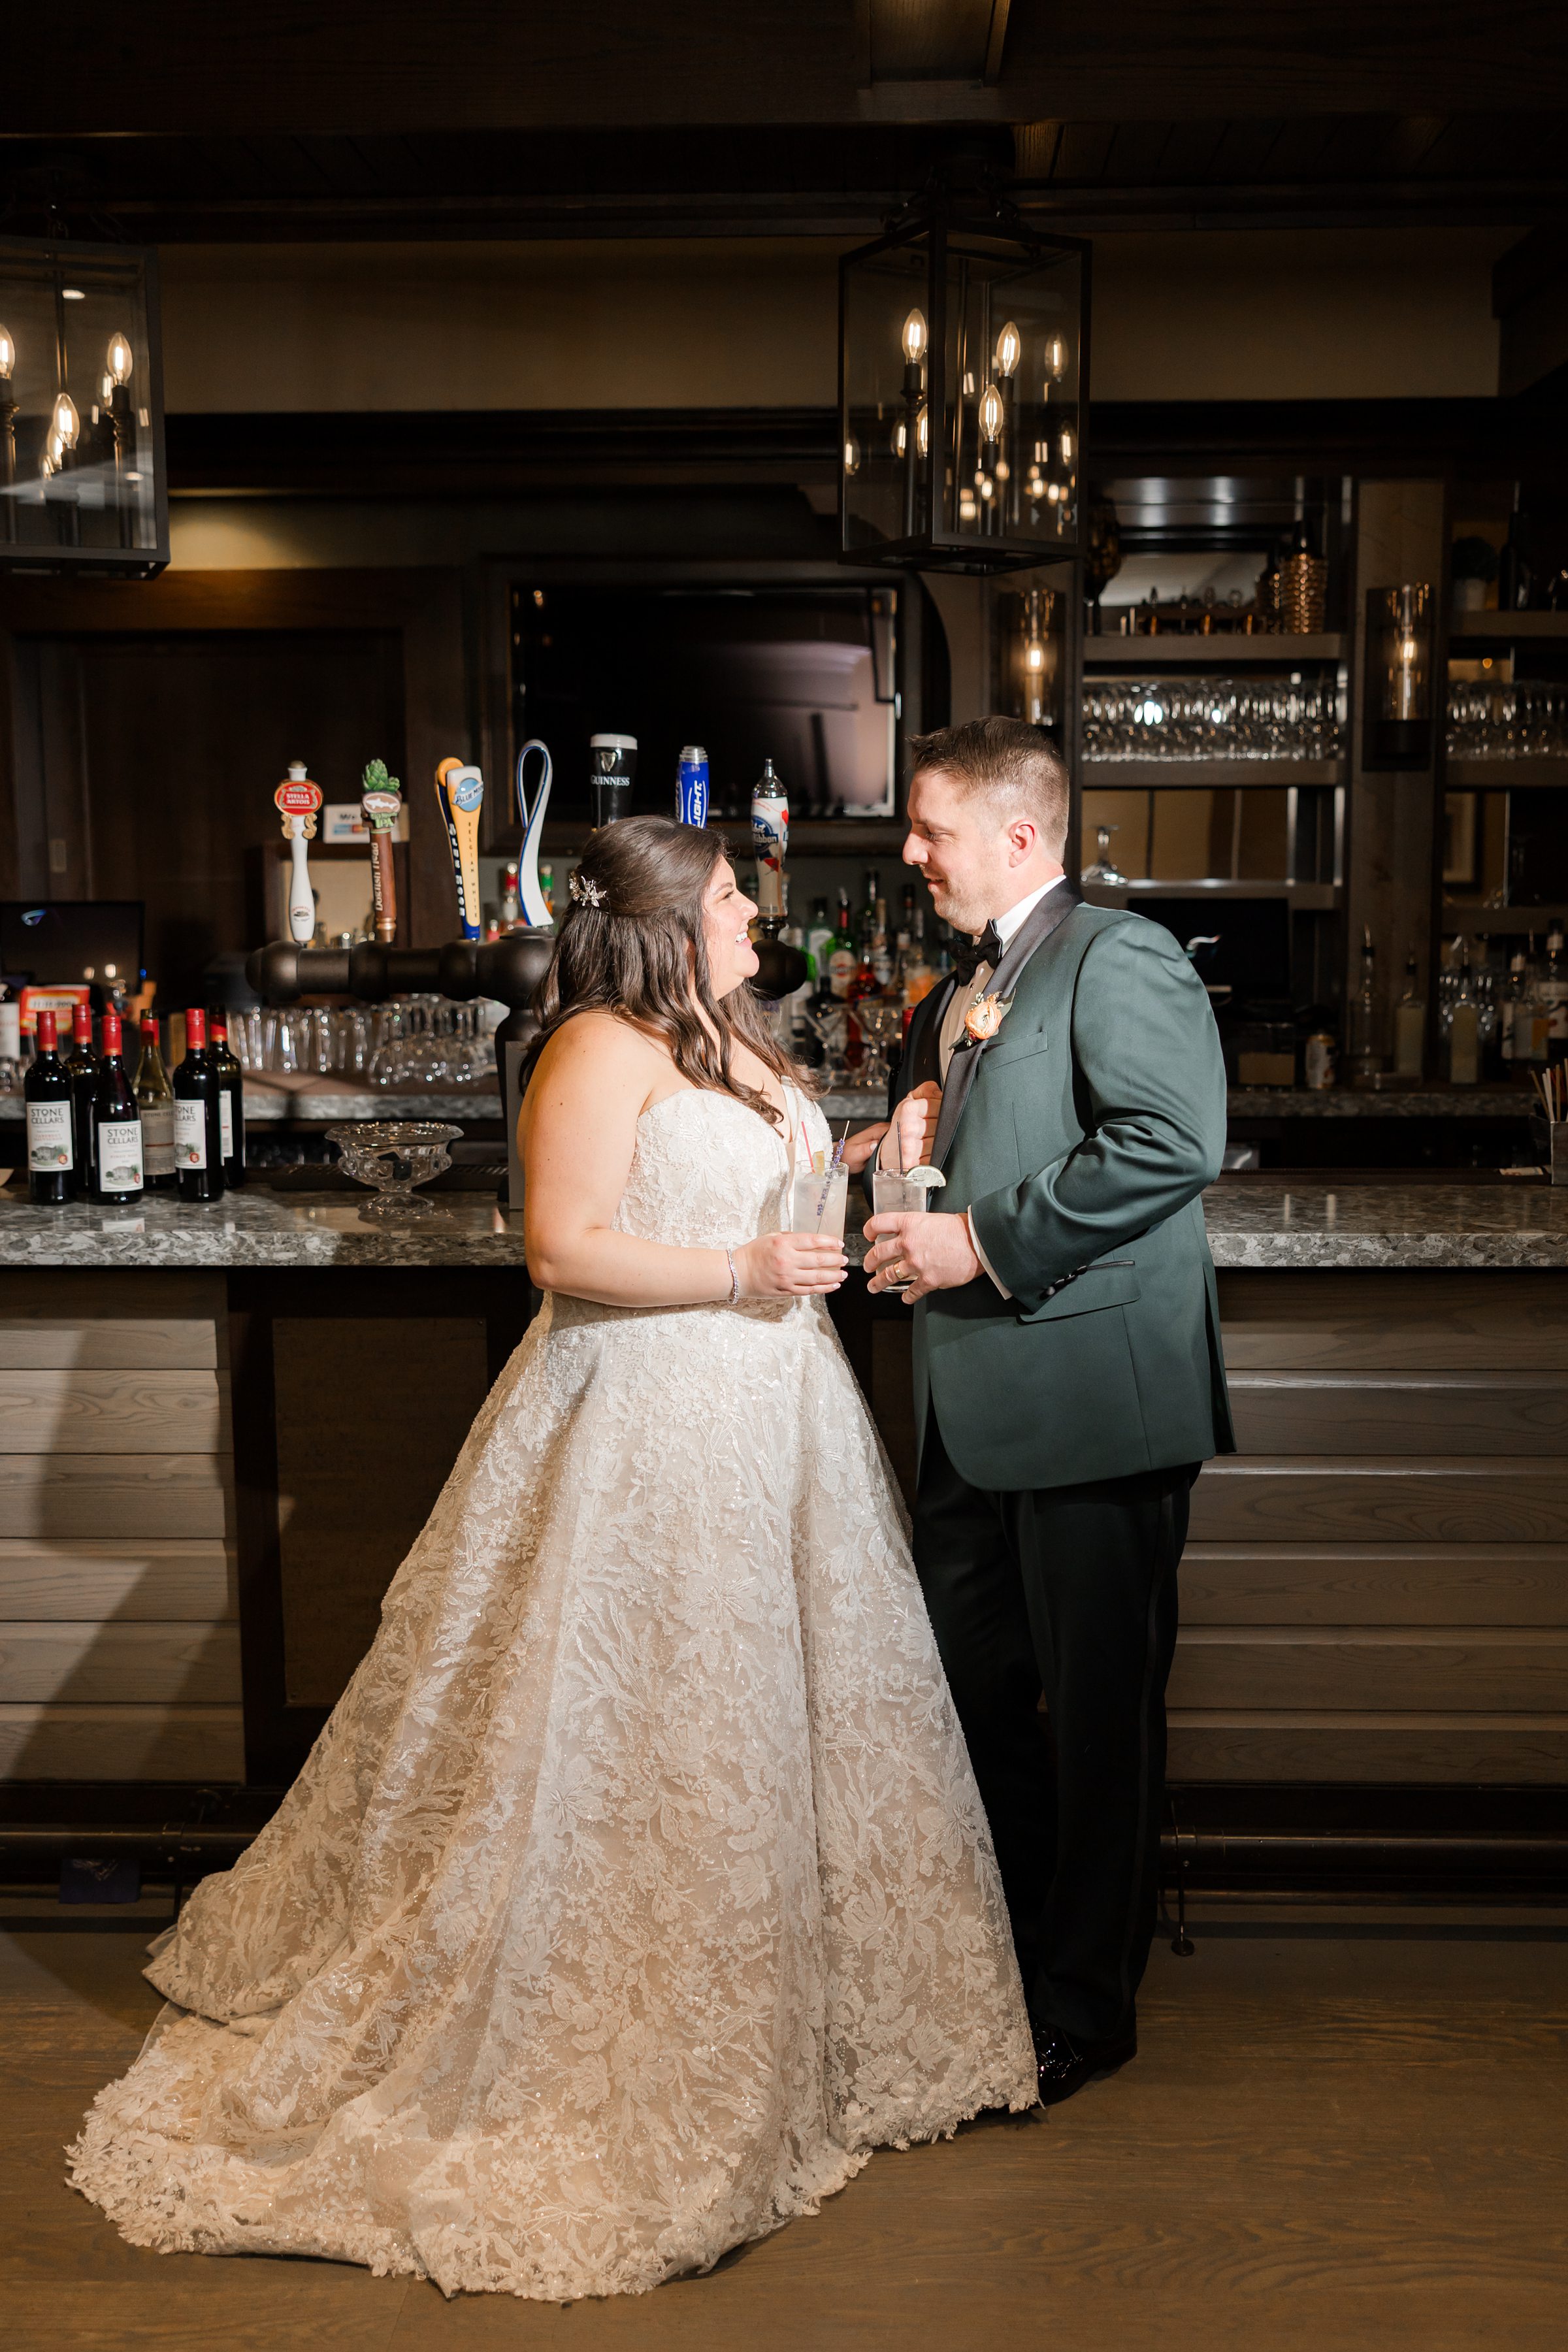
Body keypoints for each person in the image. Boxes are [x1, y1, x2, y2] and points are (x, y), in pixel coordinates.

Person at [70, 816, 1034, 2302]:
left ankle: (793, 2019)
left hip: (775, 1419)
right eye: (726, 902)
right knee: (632, 1728)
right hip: (650, 1421)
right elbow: (564, 1248)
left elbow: (767, 1198)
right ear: (661, 921)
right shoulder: (597, 1043)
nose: (750, 921)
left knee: (771, 1727)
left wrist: (854, 1154)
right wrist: (739, 1273)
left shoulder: (728, 1034)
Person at [863, 717, 1233, 2109]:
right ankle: (1003, 1969)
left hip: (1090, 1404)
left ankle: (1085, 2008)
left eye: (931, 831)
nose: (911, 854)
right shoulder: (959, 984)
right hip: (968, 1410)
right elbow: (963, 1149)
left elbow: (1171, 1141)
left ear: (1019, 837)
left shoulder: (1113, 954)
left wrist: (981, 1242)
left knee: (1095, 1723)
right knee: (975, 1709)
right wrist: (902, 1181)